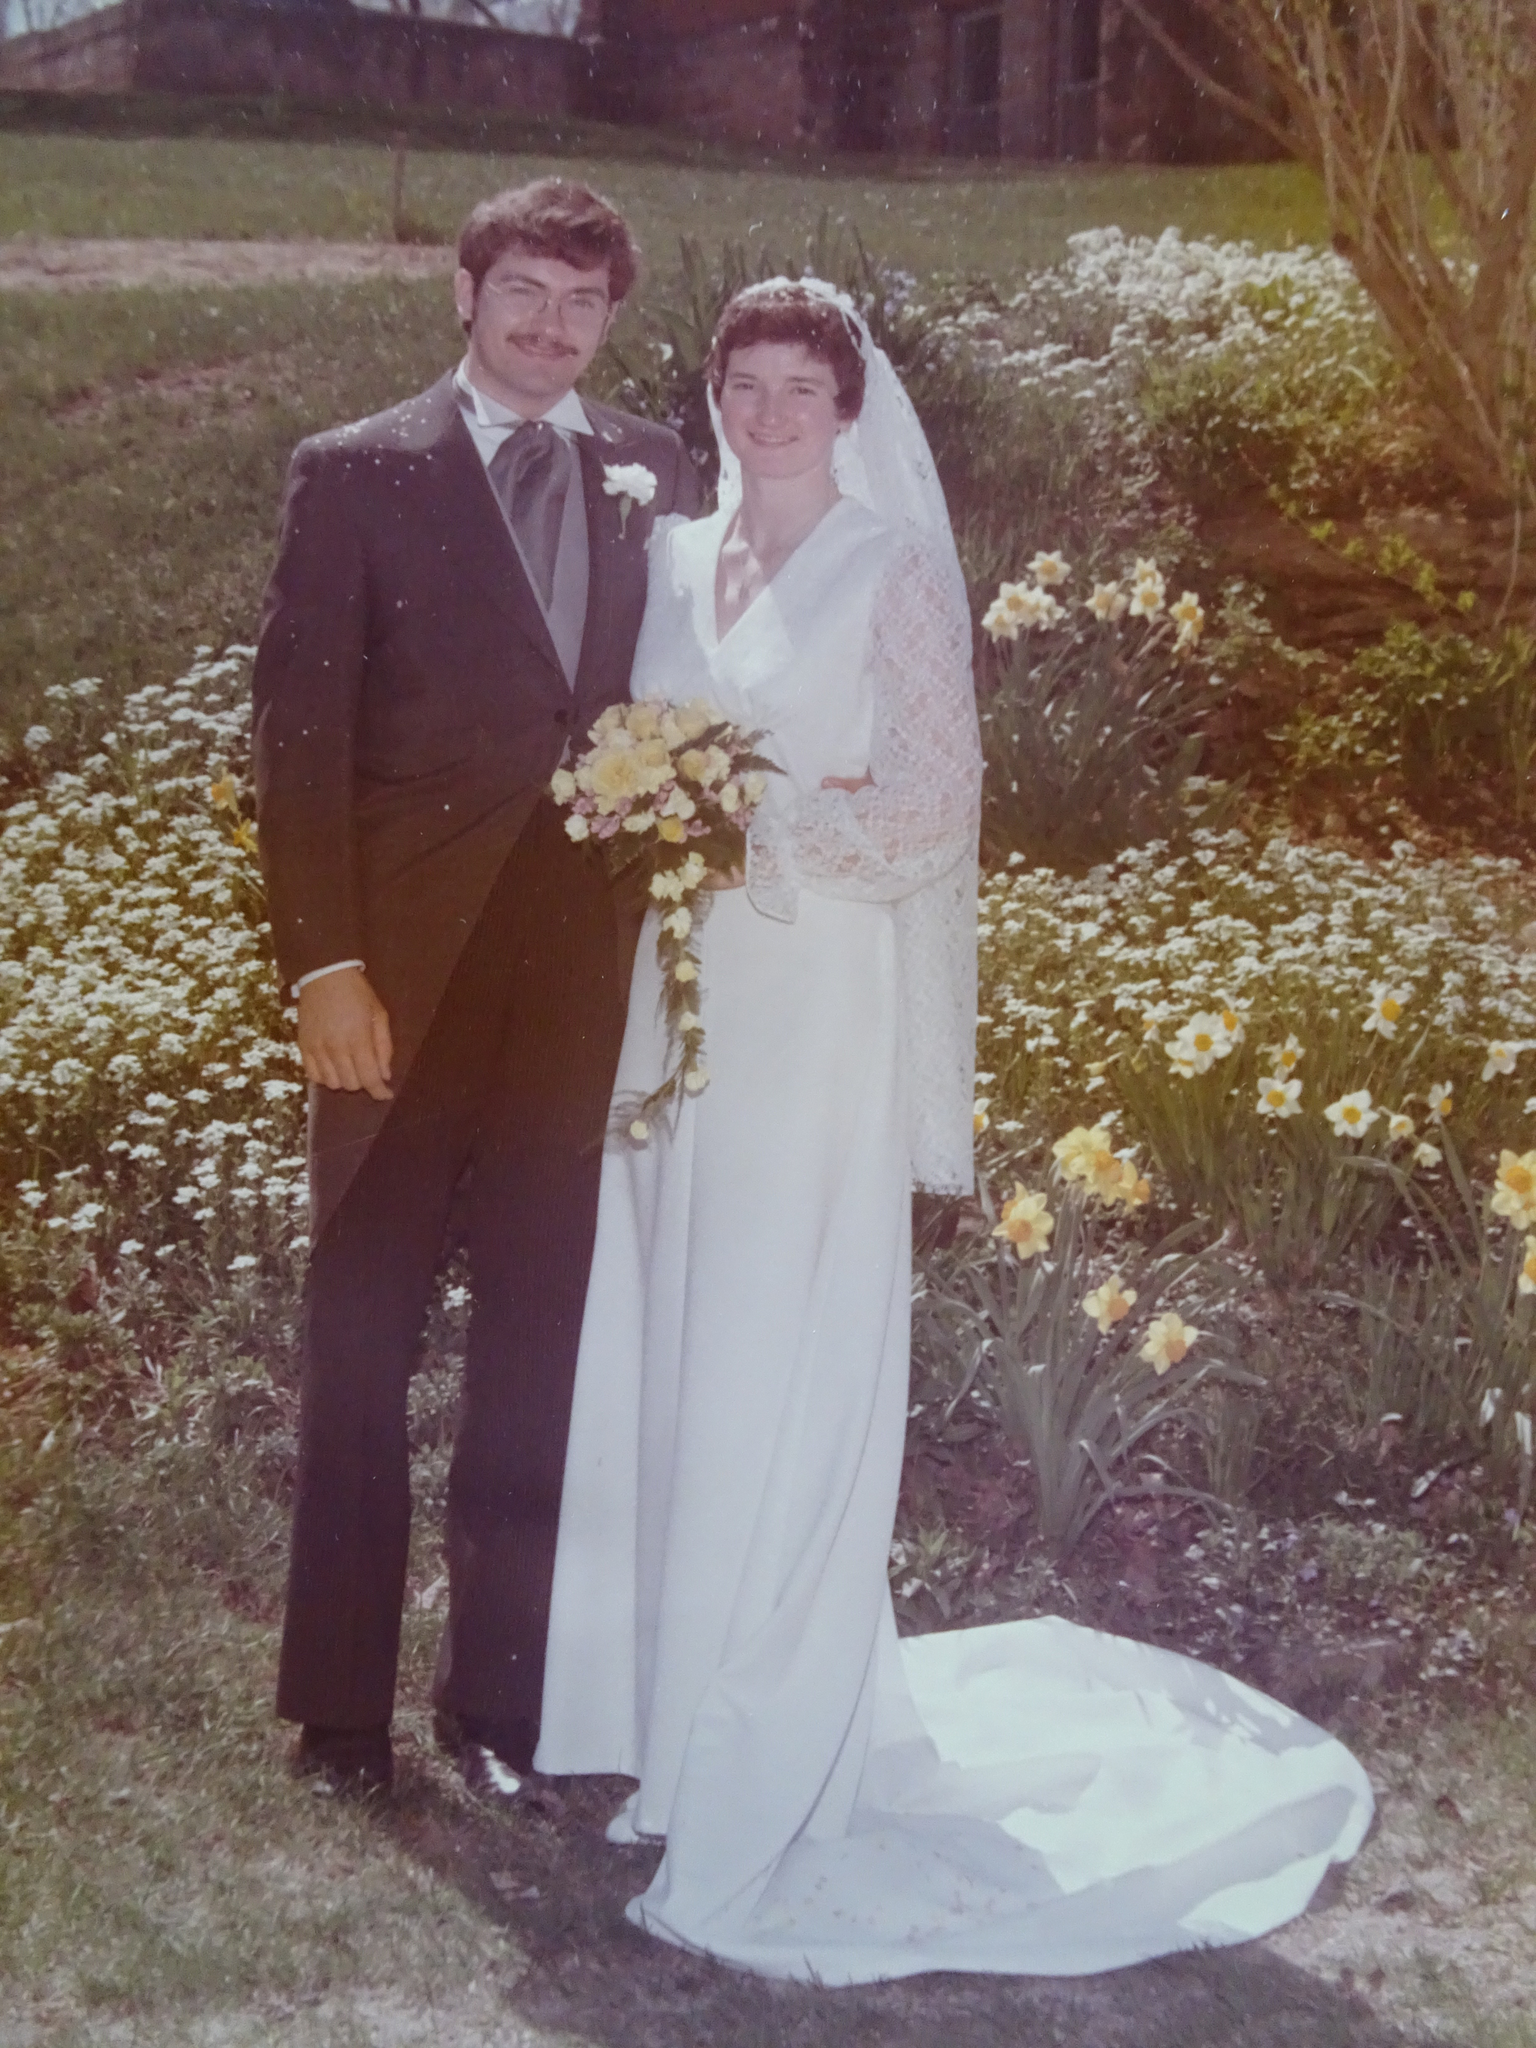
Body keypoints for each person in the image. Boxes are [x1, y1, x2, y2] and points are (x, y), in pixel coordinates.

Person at [534, 278, 1375, 1982]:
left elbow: (930, 810)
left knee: (774, 1341)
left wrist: (738, 811)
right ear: (709, 398)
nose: (767, 414)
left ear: (850, 410)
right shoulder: (677, 557)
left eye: (798, 389)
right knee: (675, 1338)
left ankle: (770, 1741)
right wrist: (647, 807)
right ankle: (672, 1722)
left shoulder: (894, 568)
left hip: (816, 1007)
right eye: (742, 385)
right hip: (675, 1002)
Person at [251, 178, 700, 1797]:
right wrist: (327, 965)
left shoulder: (658, 470)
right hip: (399, 987)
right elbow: (296, 748)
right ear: (463, 292)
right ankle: (341, 1711)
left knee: (539, 1345)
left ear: (608, 321)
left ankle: (501, 1704)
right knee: (361, 1338)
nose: (549, 324)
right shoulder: (358, 474)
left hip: (578, 989)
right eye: (523, 289)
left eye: (581, 302)